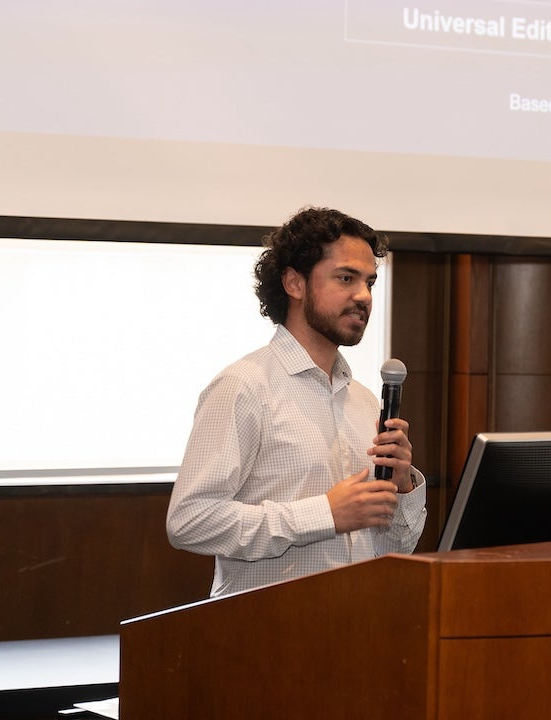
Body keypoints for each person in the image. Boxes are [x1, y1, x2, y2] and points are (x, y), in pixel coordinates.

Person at [166, 206, 427, 597]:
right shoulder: (244, 387)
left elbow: (395, 548)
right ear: (294, 283)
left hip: (358, 625)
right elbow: (189, 520)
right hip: (267, 635)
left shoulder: (365, 402)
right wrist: (324, 514)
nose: (363, 296)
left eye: (369, 282)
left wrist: (403, 486)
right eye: (345, 278)